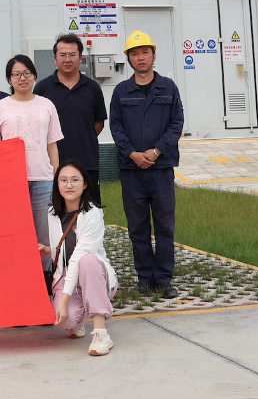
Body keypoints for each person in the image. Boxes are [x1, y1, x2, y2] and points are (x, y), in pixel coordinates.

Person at [109, 30, 184, 297]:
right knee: (137, 227)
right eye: (134, 53)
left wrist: (156, 151)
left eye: (145, 52)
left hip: (161, 169)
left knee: (164, 226)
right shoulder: (121, 91)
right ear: (128, 58)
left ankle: (164, 279)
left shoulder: (169, 87)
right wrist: (133, 154)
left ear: (153, 55)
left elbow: (177, 123)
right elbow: (116, 127)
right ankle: (144, 278)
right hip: (132, 171)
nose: (140, 57)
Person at [0, 55, 62, 289]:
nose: (22, 78)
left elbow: (52, 144)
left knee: (43, 232)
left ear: (34, 76)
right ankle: (16, 279)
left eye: (27, 73)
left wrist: (56, 174)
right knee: (13, 231)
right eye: (16, 74)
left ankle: (45, 279)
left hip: (43, 178)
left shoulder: (46, 105)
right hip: (11, 181)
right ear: (9, 79)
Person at [38, 160, 117, 355]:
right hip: (67, 275)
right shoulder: (52, 214)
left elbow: (79, 257)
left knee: (87, 260)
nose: (69, 185)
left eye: (75, 180)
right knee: (67, 320)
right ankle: (79, 319)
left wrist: (64, 300)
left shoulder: (93, 214)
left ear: (85, 184)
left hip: (94, 274)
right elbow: (66, 251)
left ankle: (101, 333)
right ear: (57, 184)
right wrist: (50, 251)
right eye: (63, 180)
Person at [34, 34, 108, 205]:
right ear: (55, 59)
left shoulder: (93, 87)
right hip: (53, 164)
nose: (67, 59)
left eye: (72, 55)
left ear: (81, 58)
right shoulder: (42, 88)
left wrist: (82, 136)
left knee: (90, 210)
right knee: (55, 211)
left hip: (87, 161)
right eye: (62, 55)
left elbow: (99, 123)